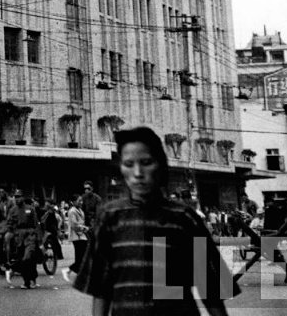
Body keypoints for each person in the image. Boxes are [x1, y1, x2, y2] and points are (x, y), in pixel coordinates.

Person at [72, 125, 237, 315]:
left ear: (160, 164)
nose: (138, 173)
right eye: (128, 164)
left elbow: (210, 289)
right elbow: (101, 290)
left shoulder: (185, 219)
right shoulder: (109, 218)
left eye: (146, 162)